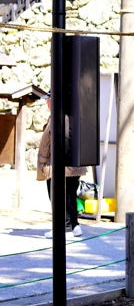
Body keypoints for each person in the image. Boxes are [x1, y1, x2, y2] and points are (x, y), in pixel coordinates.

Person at [37, 97, 89, 238]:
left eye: (49, 100)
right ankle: (74, 225)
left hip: (60, 164)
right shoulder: (71, 115)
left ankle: (64, 227)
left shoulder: (60, 116)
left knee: (58, 196)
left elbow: (62, 139)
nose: (47, 103)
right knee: (70, 195)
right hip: (72, 164)